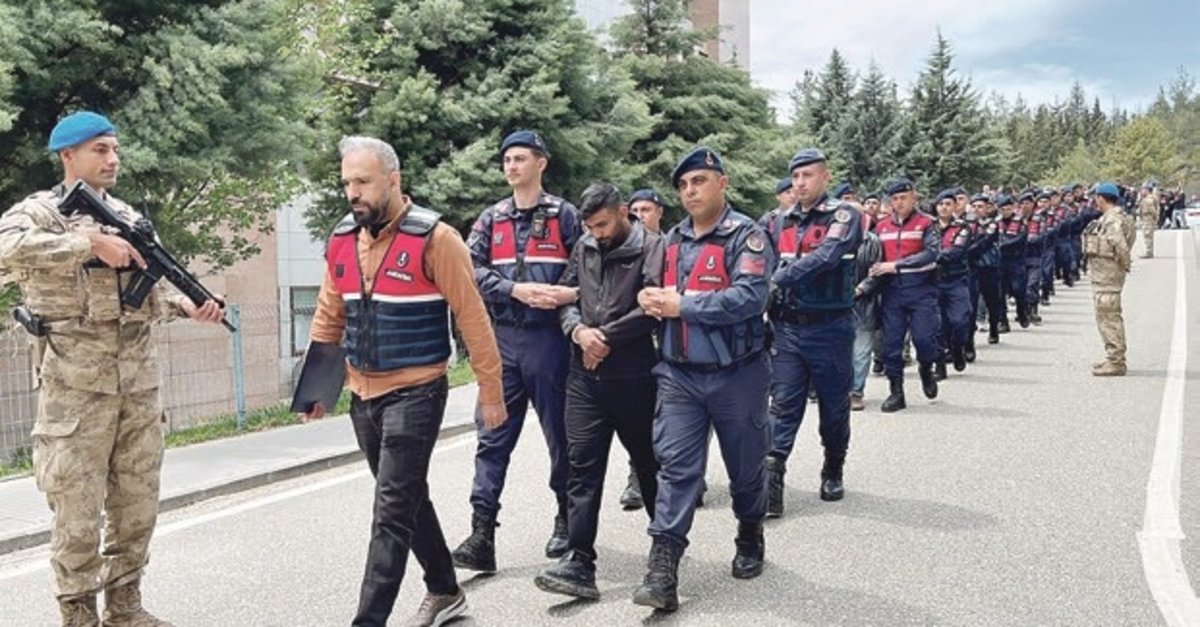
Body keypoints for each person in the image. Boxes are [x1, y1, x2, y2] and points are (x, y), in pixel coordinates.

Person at [0, 111, 224, 627]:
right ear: (68, 156)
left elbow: (141, 299)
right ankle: (78, 615)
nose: (113, 158)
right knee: (76, 509)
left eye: (115, 149)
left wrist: (185, 305)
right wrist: (88, 244)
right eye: (100, 149)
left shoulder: (128, 216)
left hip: (138, 389)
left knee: (137, 503)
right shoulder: (40, 213)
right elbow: (6, 249)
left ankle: (125, 607)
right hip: (74, 391)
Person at [303, 136, 505, 627]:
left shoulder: (438, 239)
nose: (353, 192)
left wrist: (491, 394)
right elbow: (329, 316)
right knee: (407, 497)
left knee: (390, 511)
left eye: (363, 181)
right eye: (347, 182)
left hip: (418, 391)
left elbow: (473, 318)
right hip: (362, 394)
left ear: (393, 180)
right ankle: (445, 589)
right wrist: (315, 390)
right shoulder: (341, 239)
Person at [633, 147, 775, 611]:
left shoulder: (747, 236)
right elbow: (655, 287)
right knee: (676, 470)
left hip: (738, 375)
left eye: (698, 181)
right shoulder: (671, 239)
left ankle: (749, 531)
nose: (690, 191)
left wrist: (683, 306)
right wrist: (650, 299)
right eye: (683, 185)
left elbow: (749, 297)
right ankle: (662, 568)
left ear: (722, 183)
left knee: (745, 468)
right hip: (679, 375)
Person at [455, 130, 582, 572]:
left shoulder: (565, 215)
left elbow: (586, 267)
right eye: (507, 159)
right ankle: (481, 534)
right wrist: (514, 289)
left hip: (550, 342)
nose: (511, 166)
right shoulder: (491, 219)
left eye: (520, 158)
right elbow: (469, 269)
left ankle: (567, 520)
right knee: (491, 437)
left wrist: (565, 295)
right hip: (504, 341)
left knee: (561, 438)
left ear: (540, 163)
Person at [534, 183, 663, 600]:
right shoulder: (585, 245)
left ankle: (663, 556)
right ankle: (579, 560)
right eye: (590, 227)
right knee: (581, 467)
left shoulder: (652, 246)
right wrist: (579, 332)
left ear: (623, 211)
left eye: (603, 224)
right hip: (584, 378)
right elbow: (567, 296)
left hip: (633, 376)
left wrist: (604, 337)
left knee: (648, 465)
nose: (597, 234)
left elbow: (653, 308)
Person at [763, 148, 862, 517]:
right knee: (782, 405)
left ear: (825, 177)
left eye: (808, 175)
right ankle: (771, 481)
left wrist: (776, 281)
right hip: (787, 328)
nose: (800, 183)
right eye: (796, 176)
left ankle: (833, 466)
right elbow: (760, 259)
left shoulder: (844, 215)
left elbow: (827, 257)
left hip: (830, 328)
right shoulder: (776, 220)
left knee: (834, 408)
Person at [863, 178, 941, 413]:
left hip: (921, 290)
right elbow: (873, 255)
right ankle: (896, 392)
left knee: (924, 340)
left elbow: (931, 253)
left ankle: (926, 368)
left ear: (913, 197)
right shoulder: (881, 226)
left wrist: (896, 265)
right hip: (892, 292)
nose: (899, 203)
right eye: (895, 199)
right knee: (891, 345)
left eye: (903, 197)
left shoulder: (927, 223)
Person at [616, 187, 667, 511]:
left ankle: (690, 474)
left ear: (659, 212)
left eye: (646, 210)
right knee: (639, 415)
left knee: (677, 415)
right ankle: (637, 476)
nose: (640, 216)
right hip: (637, 343)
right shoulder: (625, 249)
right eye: (635, 210)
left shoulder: (674, 245)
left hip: (670, 341)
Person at [1082, 183, 1134, 376]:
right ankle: (1112, 356)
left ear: (1101, 198)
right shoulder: (1117, 217)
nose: (1095, 201)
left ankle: (1116, 361)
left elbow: (1120, 244)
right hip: (1105, 275)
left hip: (1108, 276)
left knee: (1108, 316)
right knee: (1106, 316)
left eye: (1096, 198)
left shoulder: (1112, 220)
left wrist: (1124, 264)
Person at [932, 189, 972, 378]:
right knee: (937, 325)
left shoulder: (963, 227)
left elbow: (956, 251)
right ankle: (939, 366)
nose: (944, 208)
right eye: (941, 204)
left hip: (956, 280)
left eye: (948, 204)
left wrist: (931, 256)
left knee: (960, 321)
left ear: (955, 206)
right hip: (934, 281)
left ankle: (957, 349)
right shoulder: (928, 227)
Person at [996, 195, 1030, 330]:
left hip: (1016, 260)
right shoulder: (995, 222)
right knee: (1000, 293)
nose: (1006, 212)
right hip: (1000, 261)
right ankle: (1003, 321)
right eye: (1003, 209)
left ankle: (1022, 313)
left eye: (1008, 209)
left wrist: (1004, 244)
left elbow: (1021, 238)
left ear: (1013, 208)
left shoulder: (1020, 221)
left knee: (1018, 289)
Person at [1137, 184, 1157, 258]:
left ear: (1147, 190)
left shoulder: (1149, 199)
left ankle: (1149, 252)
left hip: (1148, 218)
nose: (1141, 191)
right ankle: (1149, 251)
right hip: (1146, 217)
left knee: (1147, 235)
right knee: (1147, 235)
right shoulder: (1145, 198)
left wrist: (1154, 219)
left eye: (1143, 190)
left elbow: (1153, 210)